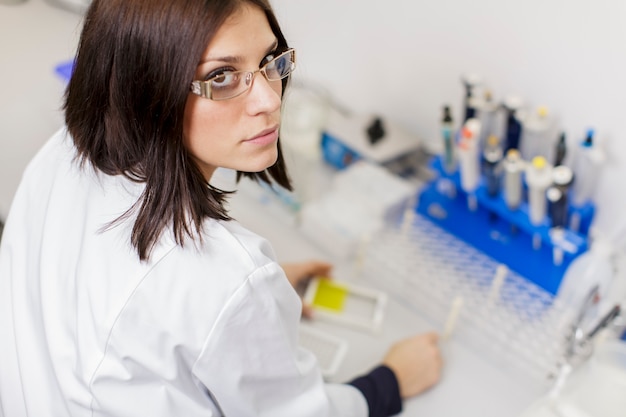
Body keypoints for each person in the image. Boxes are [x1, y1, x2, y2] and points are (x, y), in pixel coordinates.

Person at [0, 0, 442, 416]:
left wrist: (245, 305)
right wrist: (391, 383)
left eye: (271, 61)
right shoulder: (219, 276)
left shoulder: (63, 150)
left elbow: (119, 287)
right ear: (145, 87)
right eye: (221, 78)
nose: (270, 99)